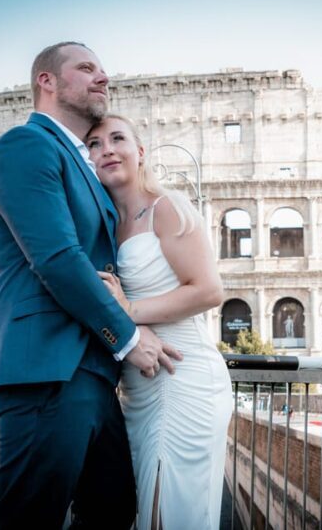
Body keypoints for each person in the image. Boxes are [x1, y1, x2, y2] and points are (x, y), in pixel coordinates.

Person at [0, 42, 182, 529]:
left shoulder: (76, 161)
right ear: (47, 81)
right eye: (86, 69)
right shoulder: (25, 146)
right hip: (46, 370)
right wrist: (128, 336)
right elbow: (57, 257)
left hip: (87, 372)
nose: (103, 77)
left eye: (104, 70)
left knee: (111, 510)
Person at [88, 114, 233, 529]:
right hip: (139, 388)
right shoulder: (106, 226)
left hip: (183, 376)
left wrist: (129, 314)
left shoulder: (165, 207)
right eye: (96, 144)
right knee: (150, 510)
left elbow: (207, 290)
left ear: (140, 152)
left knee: (168, 512)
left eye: (118, 139)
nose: (108, 149)